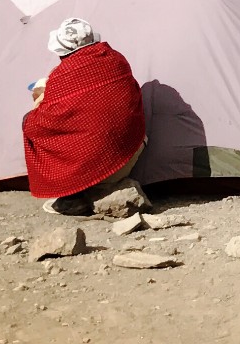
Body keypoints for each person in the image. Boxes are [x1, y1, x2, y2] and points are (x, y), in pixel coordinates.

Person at [22, 18, 148, 216]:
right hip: (130, 153)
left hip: (95, 169)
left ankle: (74, 195)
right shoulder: (116, 60)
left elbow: (39, 126)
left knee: (31, 123)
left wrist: (39, 102)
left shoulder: (64, 75)